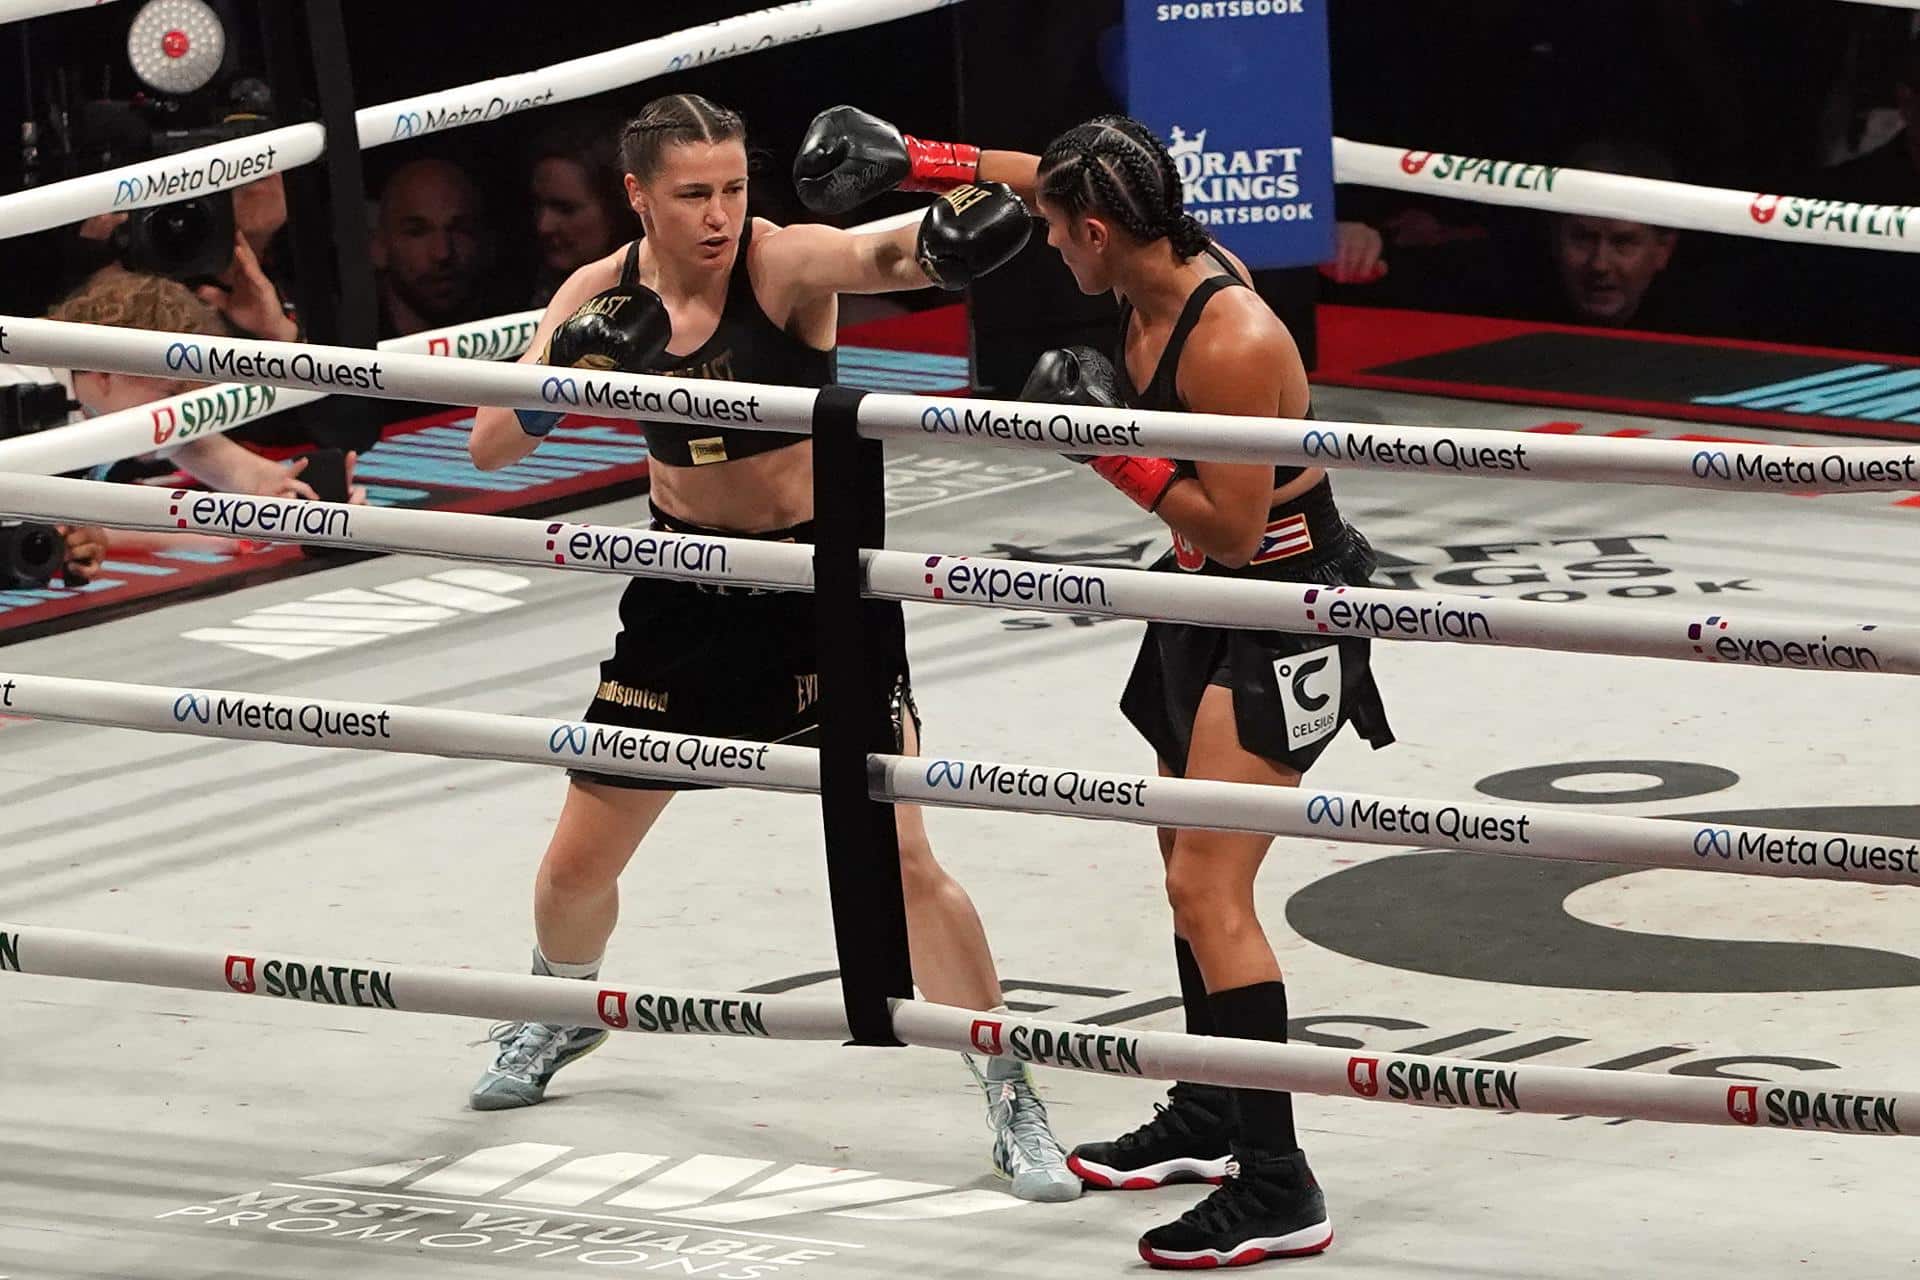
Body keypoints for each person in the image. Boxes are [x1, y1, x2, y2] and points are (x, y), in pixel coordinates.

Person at [795, 107, 1397, 1268]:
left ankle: (1281, 1184)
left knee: (1211, 890)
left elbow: (1228, 528)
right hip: (1198, 604)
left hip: (1282, 604)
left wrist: (1107, 442)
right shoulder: (1141, 246)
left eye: (1061, 234)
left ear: (1104, 231)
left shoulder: (1230, 338)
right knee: (1181, 873)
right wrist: (919, 160)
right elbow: (1039, 177)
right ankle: (1218, 1107)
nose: (1049, 247)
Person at [463, 93, 1077, 1202]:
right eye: (694, 193)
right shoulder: (596, 293)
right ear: (639, 193)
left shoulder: (785, 266)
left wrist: (943, 199)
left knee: (902, 862)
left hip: (817, 591)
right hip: (686, 595)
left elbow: (932, 247)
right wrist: (576, 372)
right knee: (572, 868)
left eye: (735, 187)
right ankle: (561, 1011)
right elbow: (490, 442)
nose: (719, 214)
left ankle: (1008, 1084)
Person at [0, 269, 365, 580]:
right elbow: (81, 527)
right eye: (169, 393)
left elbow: (229, 464)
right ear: (106, 371)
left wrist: (307, 501)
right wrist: (229, 531)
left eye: (186, 398)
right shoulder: (16, 390)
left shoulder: (108, 393)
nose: (176, 415)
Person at [371, 157, 495, 337]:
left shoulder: (526, 339)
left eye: (460, 229)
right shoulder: (344, 352)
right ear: (378, 246)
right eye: (417, 232)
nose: (442, 253)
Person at [526, 117, 635, 304]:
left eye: (565, 209)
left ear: (616, 208)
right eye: (538, 205)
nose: (544, 225)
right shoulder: (530, 290)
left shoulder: (668, 295)